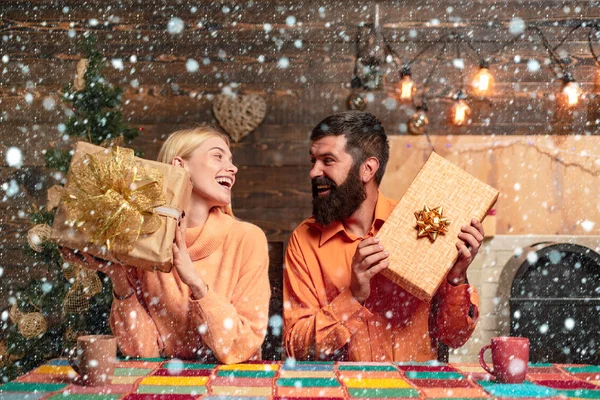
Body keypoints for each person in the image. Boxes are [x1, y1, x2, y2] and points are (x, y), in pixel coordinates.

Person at [60, 125, 271, 364]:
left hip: (236, 386)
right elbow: (142, 352)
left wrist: (194, 281)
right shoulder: (143, 244)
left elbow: (239, 348)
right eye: (217, 156)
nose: (233, 168)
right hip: (165, 384)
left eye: (230, 160)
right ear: (180, 165)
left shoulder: (248, 239)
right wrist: (119, 278)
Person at [283, 111, 483, 362]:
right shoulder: (304, 240)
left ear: (367, 169)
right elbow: (297, 348)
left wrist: (456, 277)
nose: (314, 172)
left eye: (327, 160)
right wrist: (353, 296)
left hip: (413, 388)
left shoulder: (419, 226)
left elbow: (454, 337)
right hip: (340, 390)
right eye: (313, 161)